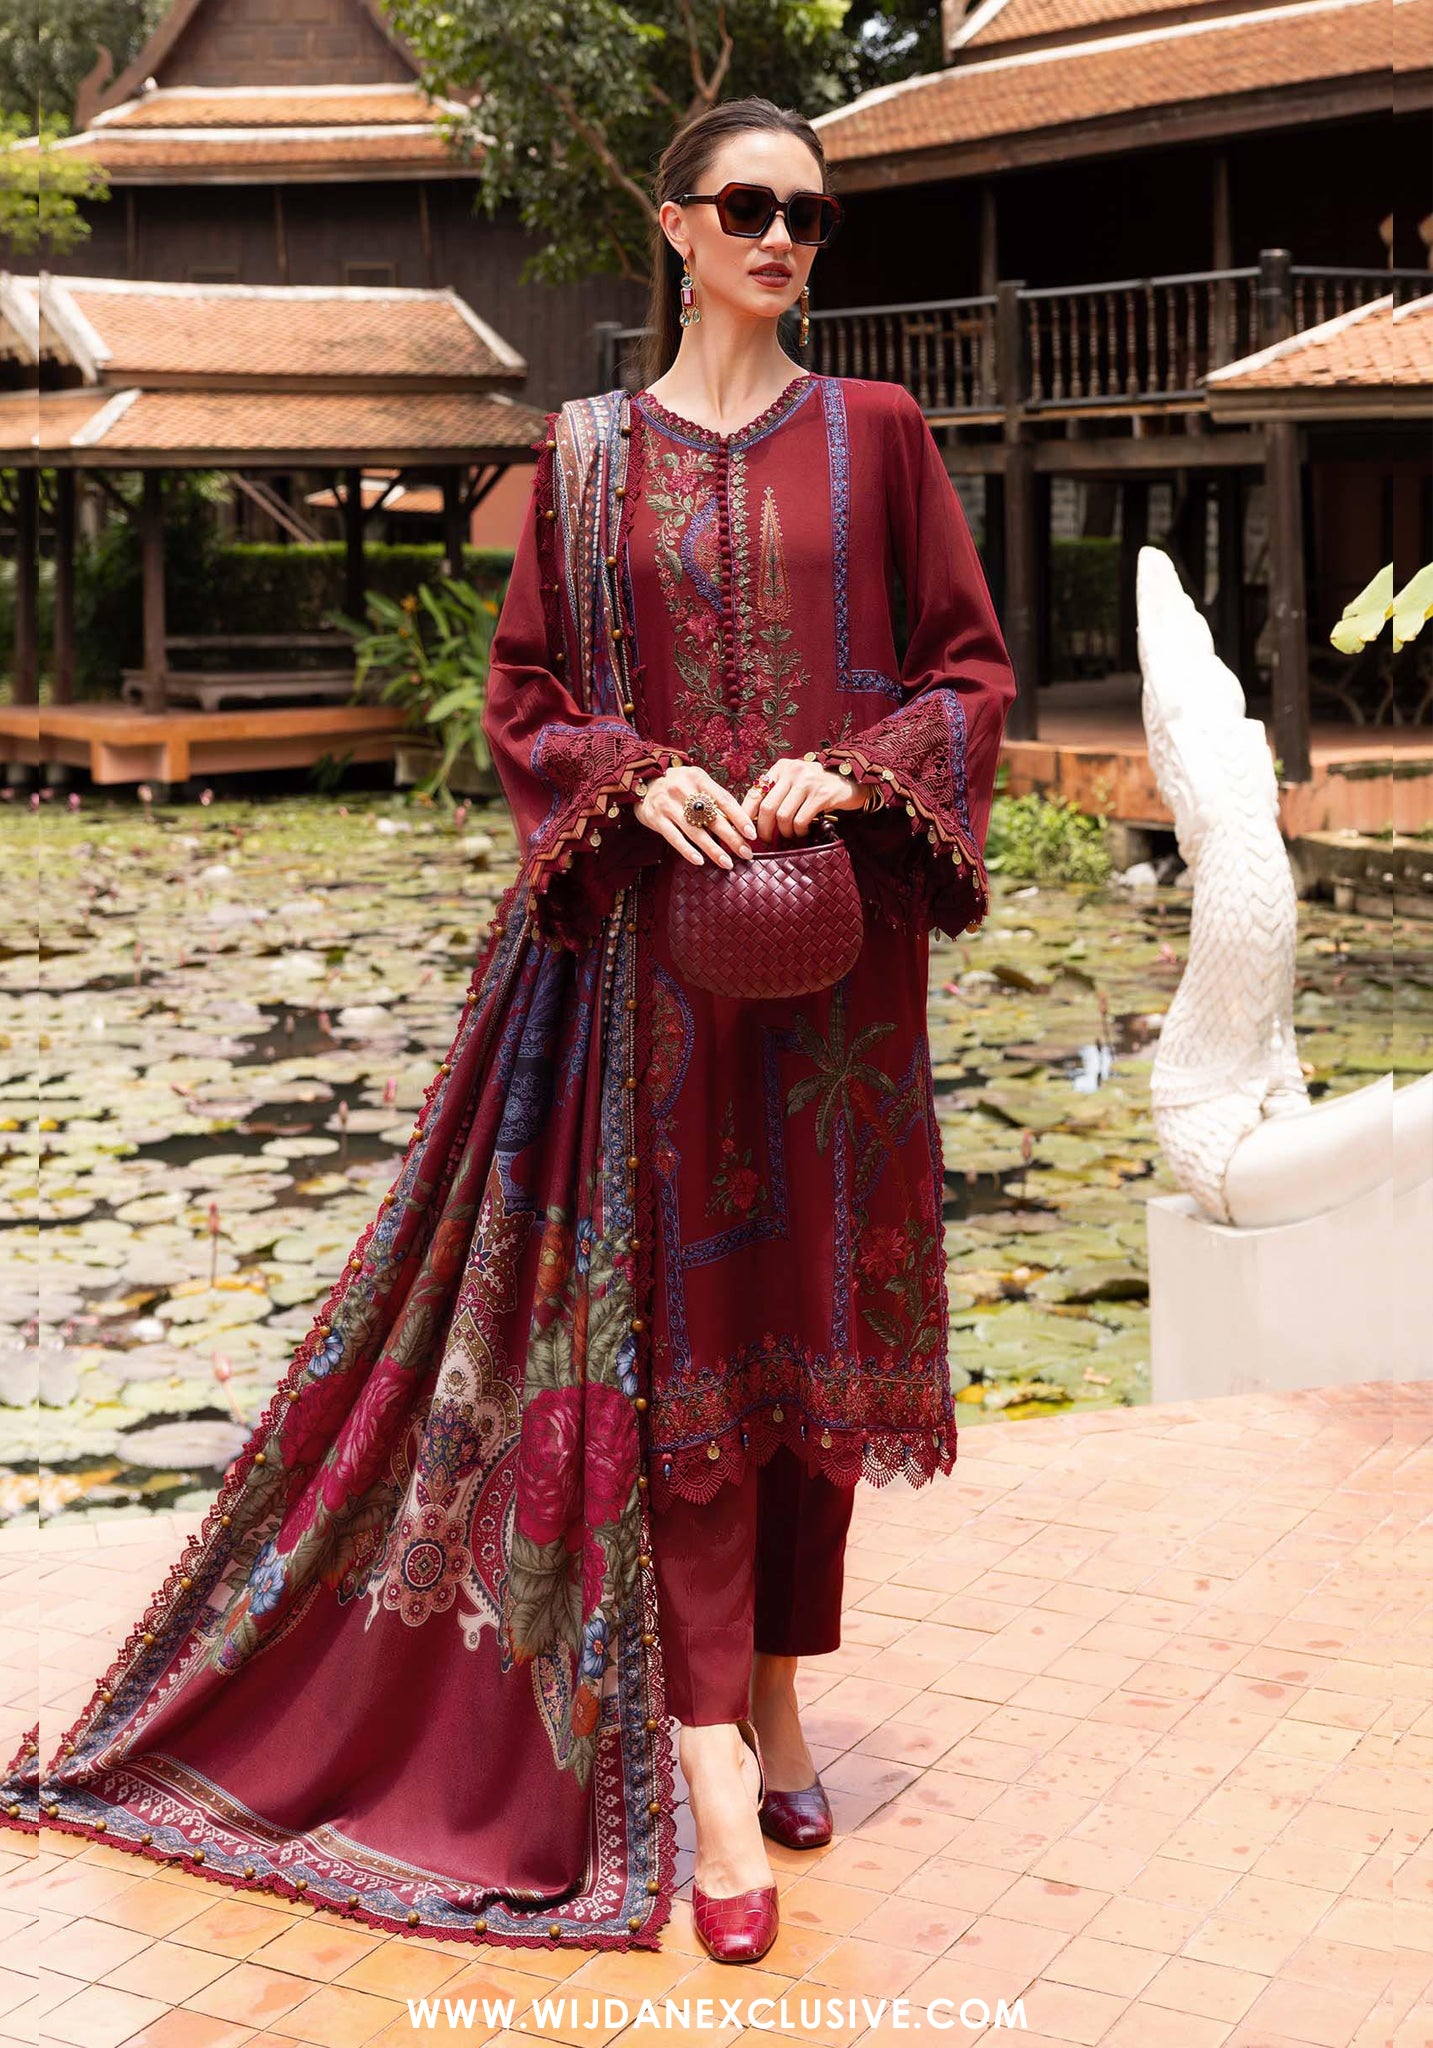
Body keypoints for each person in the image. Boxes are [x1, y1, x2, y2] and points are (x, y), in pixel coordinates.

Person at [3, 96, 1014, 1967]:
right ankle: (707, 1761)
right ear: (675, 224)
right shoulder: (587, 451)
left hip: (840, 974)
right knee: (693, 1346)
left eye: (808, 214)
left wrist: (852, 768)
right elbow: (527, 692)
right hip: (649, 981)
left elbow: (966, 673)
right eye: (746, 206)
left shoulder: (876, 432)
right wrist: (635, 777)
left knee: (816, 1337)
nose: (779, 237)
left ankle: (781, 1698)